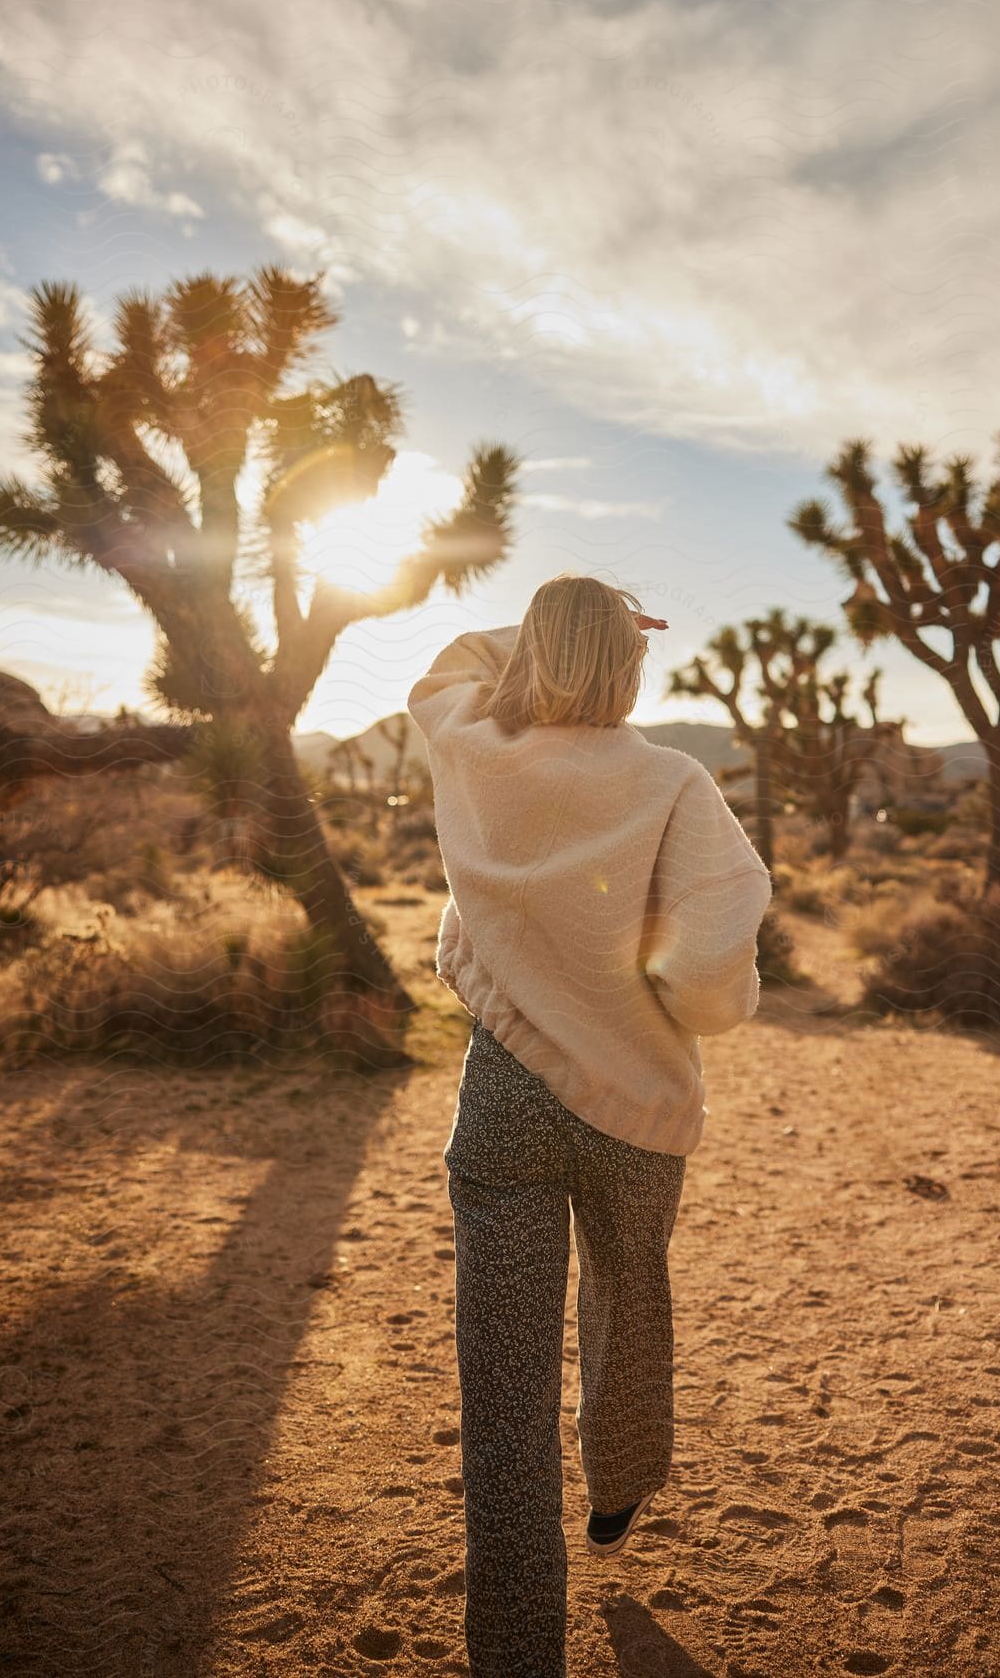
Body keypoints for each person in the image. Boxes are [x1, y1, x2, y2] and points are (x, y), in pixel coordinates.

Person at [406, 573, 773, 1678]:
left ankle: (516, 1656)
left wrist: (552, 626)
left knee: (500, 1396)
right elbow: (711, 977)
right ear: (631, 662)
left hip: (504, 1090)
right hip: (636, 1100)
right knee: (628, 1292)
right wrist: (693, 1008)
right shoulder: (673, 782)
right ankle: (618, 1488)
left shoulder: (472, 743)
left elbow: (447, 668)